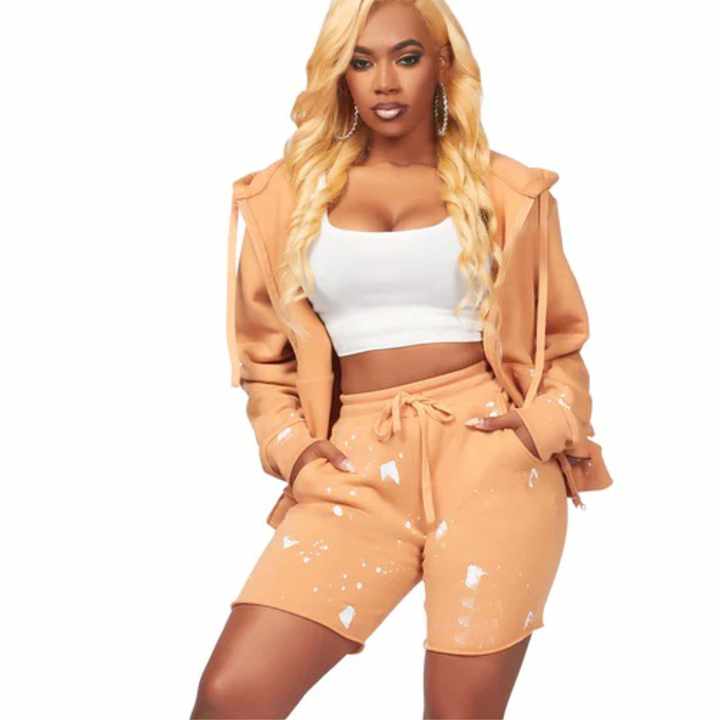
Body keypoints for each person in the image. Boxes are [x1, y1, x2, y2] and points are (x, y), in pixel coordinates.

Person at [192, 1, 613, 717]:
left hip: (492, 459)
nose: (385, 81)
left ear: (442, 64)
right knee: (231, 696)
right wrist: (295, 452)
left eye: (407, 58)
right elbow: (265, 362)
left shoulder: (508, 191)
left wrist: (538, 429)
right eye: (361, 62)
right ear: (341, 76)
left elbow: (560, 342)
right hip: (354, 465)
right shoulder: (282, 196)